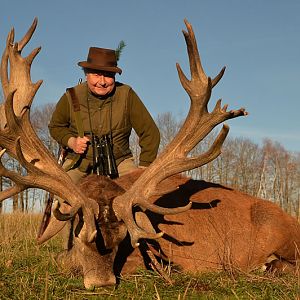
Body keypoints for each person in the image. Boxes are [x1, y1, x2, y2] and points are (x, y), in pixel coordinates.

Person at [48, 47, 160, 183]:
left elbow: (150, 133)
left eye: (108, 75)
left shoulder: (126, 95)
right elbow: (55, 127)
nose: (102, 82)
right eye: (96, 75)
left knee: (139, 197)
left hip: (120, 163)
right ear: (86, 74)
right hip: (79, 164)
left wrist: (144, 169)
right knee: (64, 193)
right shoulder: (71, 96)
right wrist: (72, 142)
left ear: (114, 77)